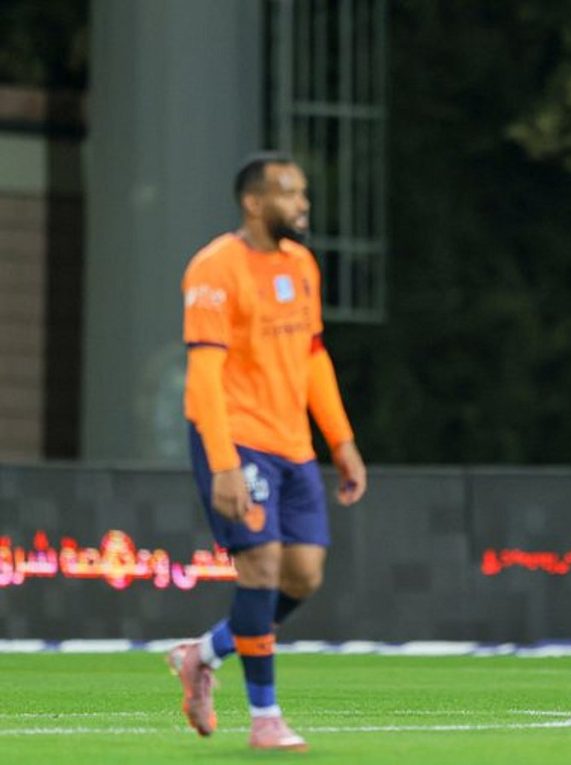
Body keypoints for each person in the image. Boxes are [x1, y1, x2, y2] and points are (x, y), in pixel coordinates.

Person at [168, 152, 368, 750]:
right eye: (289, 193)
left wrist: (342, 441)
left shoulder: (302, 265)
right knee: (260, 568)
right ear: (253, 203)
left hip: (292, 444)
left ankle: (203, 654)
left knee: (303, 574)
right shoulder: (214, 268)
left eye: (302, 192)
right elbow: (204, 376)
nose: (302, 204)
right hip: (237, 439)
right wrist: (224, 463)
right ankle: (265, 718)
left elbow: (313, 358)